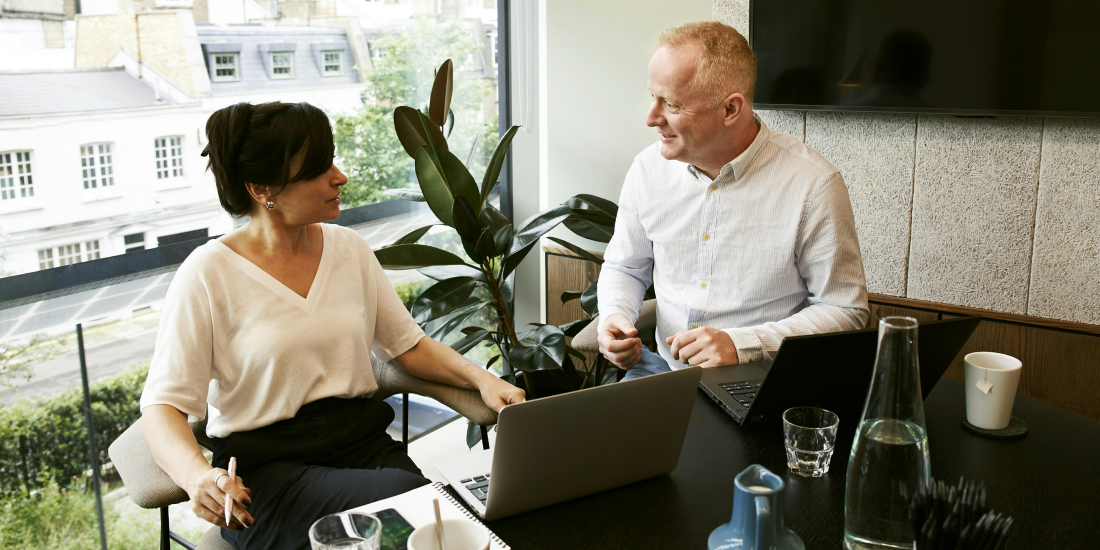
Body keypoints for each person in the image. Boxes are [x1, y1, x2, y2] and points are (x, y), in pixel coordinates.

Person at [139, 101, 525, 550]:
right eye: (319, 168)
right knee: (409, 511)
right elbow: (162, 406)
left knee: (434, 526)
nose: (339, 176)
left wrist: (483, 379)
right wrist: (196, 476)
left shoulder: (349, 249)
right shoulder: (207, 273)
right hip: (270, 476)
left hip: (363, 446)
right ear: (263, 187)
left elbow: (407, 346)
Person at [597, 22, 869, 380]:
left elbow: (844, 309)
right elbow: (625, 266)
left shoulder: (814, 184)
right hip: (660, 372)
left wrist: (743, 343)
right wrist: (616, 315)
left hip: (760, 379)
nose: (651, 118)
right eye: (653, 97)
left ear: (730, 109)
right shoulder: (647, 169)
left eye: (672, 104)